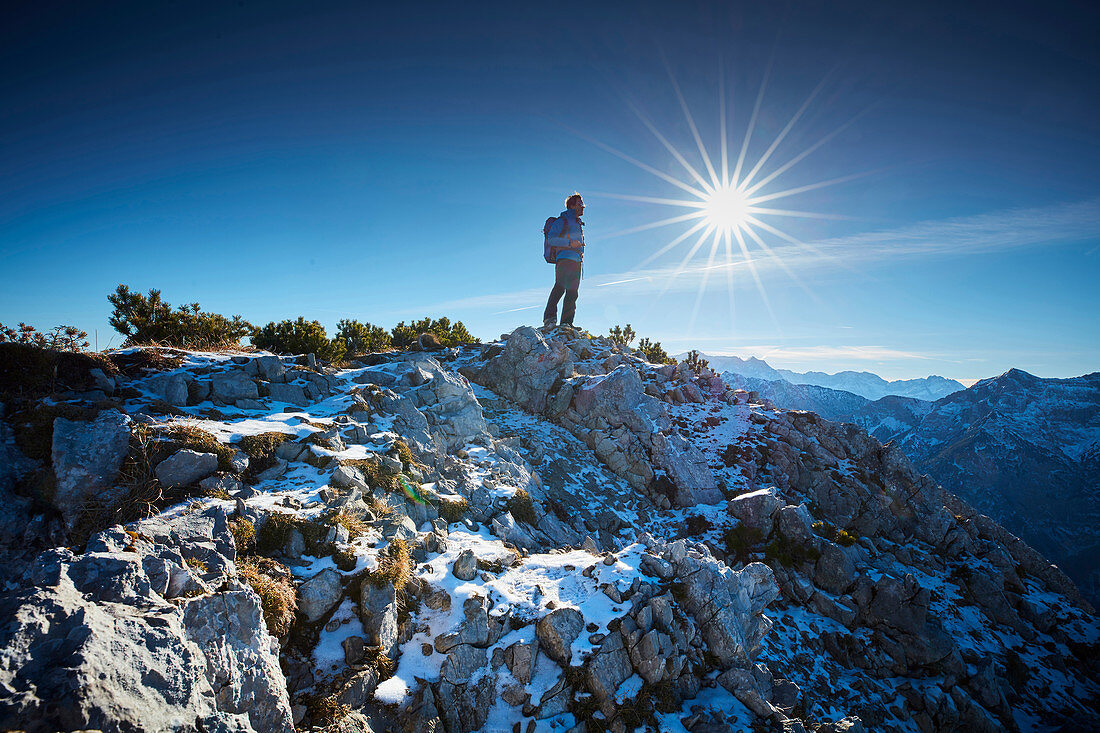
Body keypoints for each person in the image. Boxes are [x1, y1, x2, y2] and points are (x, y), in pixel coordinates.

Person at [543, 193, 585, 329]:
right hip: (564, 258)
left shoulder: (578, 223)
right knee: (560, 287)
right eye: (580, 204)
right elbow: (551, 239)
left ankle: (567, 323)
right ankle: (549, 319)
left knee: (573, 292)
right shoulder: (562, 220)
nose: (583, 207)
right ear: (572, 206)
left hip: (577, 261)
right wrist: (570, 243)